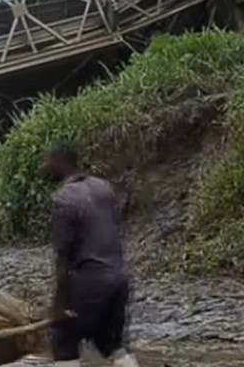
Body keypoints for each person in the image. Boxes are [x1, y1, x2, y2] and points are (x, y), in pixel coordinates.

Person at [44, 144, 140, 367]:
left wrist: (58, 304)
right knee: (111, 344)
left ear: (61, 162)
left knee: (63, 340)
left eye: (48, 161)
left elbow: (63, 257)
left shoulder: (63, 199)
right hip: (118, 279)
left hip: (90, 282)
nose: (44, 166)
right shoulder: (103, 187)